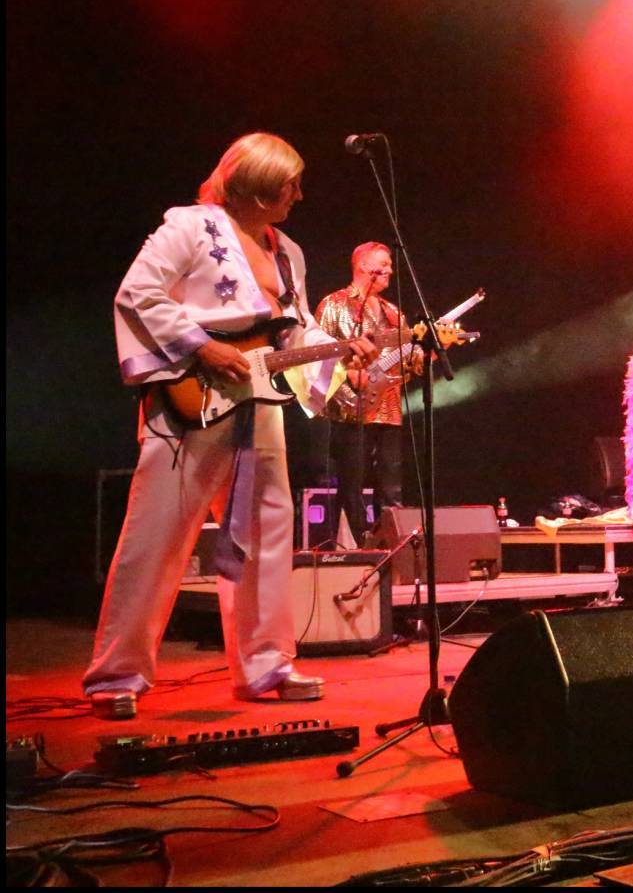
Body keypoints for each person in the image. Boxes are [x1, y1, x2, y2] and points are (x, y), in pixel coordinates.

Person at [85, 133, 376, 719]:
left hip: (258, 403)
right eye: (290, 185)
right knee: (155, 537)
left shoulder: (287, 251)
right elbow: (138, 293)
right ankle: (117, 673)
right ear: (259, 189)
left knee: (269, 532)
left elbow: (291, 330)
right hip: (189, 401)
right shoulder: (190, 228)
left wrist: (342, 350)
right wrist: (200, 346)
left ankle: (266, 662)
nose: (299, 195)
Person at [316, 242, 420, 547]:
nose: (390, 270)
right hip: (350, 407)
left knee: (392, 484)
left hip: (388, 407)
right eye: (383, 264)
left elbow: (406, 364)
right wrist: (347, 375)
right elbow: (316, 355)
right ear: (362, 265)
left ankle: (393, 547)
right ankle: (360, 547)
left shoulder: (393, 312)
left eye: (390, 265)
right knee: (353, 484)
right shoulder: (333, 304)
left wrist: (421, 356)